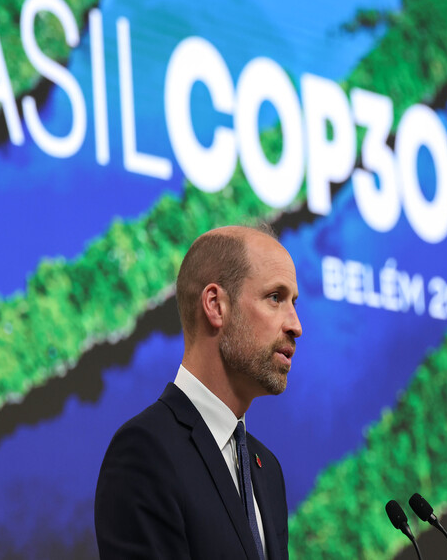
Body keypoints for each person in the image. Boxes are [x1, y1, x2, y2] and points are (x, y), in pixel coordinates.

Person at [95, 224, 302, 559]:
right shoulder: (144, 451)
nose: (296, 324)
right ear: (216, 305)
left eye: (293, 302)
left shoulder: (268, 470)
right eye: (275, 297)